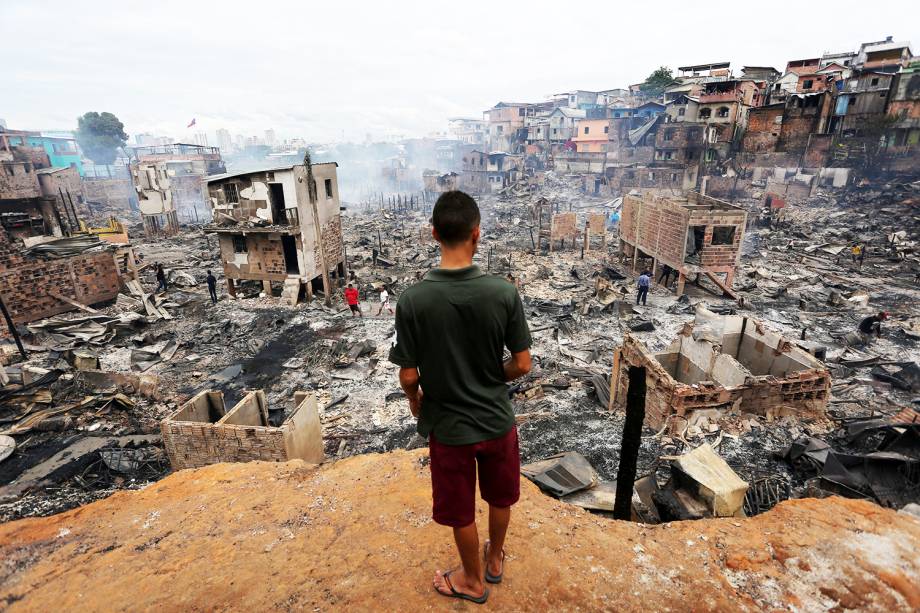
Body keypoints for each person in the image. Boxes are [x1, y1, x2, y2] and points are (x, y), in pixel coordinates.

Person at [389, 190, 532, 605]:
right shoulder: (503, 293)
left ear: (433, 234)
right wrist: (491, 374)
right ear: (477, 235)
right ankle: (495, 560)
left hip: (449, 428)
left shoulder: (412, 301)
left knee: (461, 509)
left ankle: (471, 580)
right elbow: (522, 365)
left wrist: (416, 400)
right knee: (500, 496)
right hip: (495, 420)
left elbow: (408, 373)